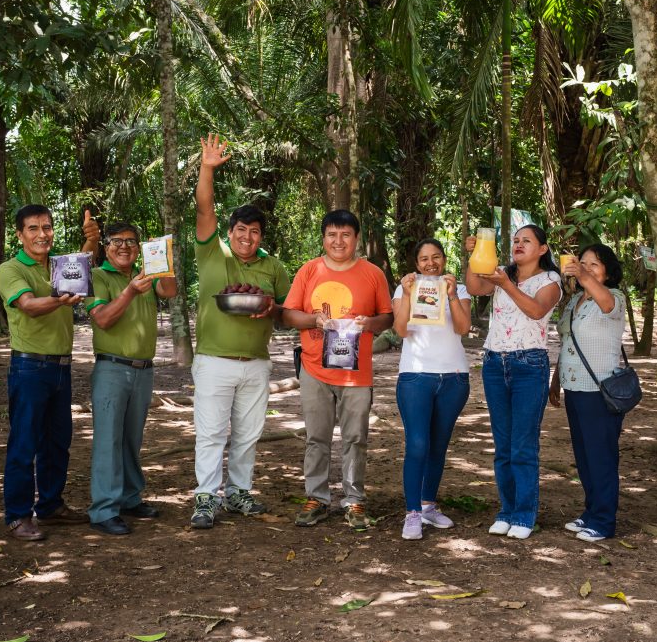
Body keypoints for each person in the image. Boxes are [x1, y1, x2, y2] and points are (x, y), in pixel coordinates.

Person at [189, 134, 291, 530]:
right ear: (229, 231)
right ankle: (205, 497)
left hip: (257, 364)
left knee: (248, 434)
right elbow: (203, 208)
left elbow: (285, 311)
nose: (247, 237)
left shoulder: (274, 266)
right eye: (240, 230)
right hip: (214, 361)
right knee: (211, 433)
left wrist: (271, 305)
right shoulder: (212, 251)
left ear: (262, 236)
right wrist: (207, 168)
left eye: (254, 232)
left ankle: (239, 492)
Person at [283, 210, 393, 531]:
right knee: (316, 438)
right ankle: (316, 497)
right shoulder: (309, 271)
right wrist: (314, 320)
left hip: (356, 372)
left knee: (356, 437)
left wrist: (369, 323)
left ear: (357, 238)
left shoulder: (372, 274)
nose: (338, 241)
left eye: (346, 234)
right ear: (323, 238)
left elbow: (386, 316)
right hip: (314, 367)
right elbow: (289, 314)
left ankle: (354, 499)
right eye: (332, 234)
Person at [0, 205, 100, 541]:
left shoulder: (58, 265)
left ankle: (51, 505)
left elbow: (81, 266)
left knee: (58, 442)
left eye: (47, 227)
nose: (42, 234)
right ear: (19, 234)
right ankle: (17, 515)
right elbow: (27, 305)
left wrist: (93, 240)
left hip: (61, 367)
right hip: (29, 367)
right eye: (33, 229)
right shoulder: (10, 268)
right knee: (25, 442)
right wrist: (61, 300)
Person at [465, 224, 561, 540]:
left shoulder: (551, 281)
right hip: (494, 362)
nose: (518, 244)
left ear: (543, 249)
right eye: (516, 240)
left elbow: (535, 310)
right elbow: (475, 289)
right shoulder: (501, 272)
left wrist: (506, 284)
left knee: (523, 445)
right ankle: (506, 511)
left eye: (527, 241)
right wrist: (472, 258)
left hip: (529, 365)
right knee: (502, 445)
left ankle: (524, 514)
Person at [85, 223, 178, 536]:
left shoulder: (146, 275)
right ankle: (103, 510)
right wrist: (129, 291)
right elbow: (103, 319)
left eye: (131, 242)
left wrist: (163, 261)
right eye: (116, 242)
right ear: (106, 246)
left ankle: (128, 497)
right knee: (108, 440)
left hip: (143, 369)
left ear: (139, 248)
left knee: (131, 439)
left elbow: (170, 290)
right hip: (112, 368)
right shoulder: (97, 276)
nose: (124, 247)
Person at [392, 238, 472, 540]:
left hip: (453, 377)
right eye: (424, 258)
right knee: (417, 444)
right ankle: (412, 512)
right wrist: (410, 294)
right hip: (415, 376)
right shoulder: (404, 289)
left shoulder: (459, 289)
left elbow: (462, 328)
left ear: (443, 259)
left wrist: (451, 294)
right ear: (416, 263)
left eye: (436, 257)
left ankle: (428, 505)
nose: (430, 263)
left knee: (438, 445)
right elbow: (401, 329)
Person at [549, 243, 627, 543]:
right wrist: (556, 381)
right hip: (574, 387)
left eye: (594, 264)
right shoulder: (573, 302)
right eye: (582, 263)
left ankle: (605, 521)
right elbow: (568, 344)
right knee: (583, 456)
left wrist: (584, 276)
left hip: (600, 390)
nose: (586, 268)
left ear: (607, 272)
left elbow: (606, 303)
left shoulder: (614, 298)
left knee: (601, 457)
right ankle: (591, 512)